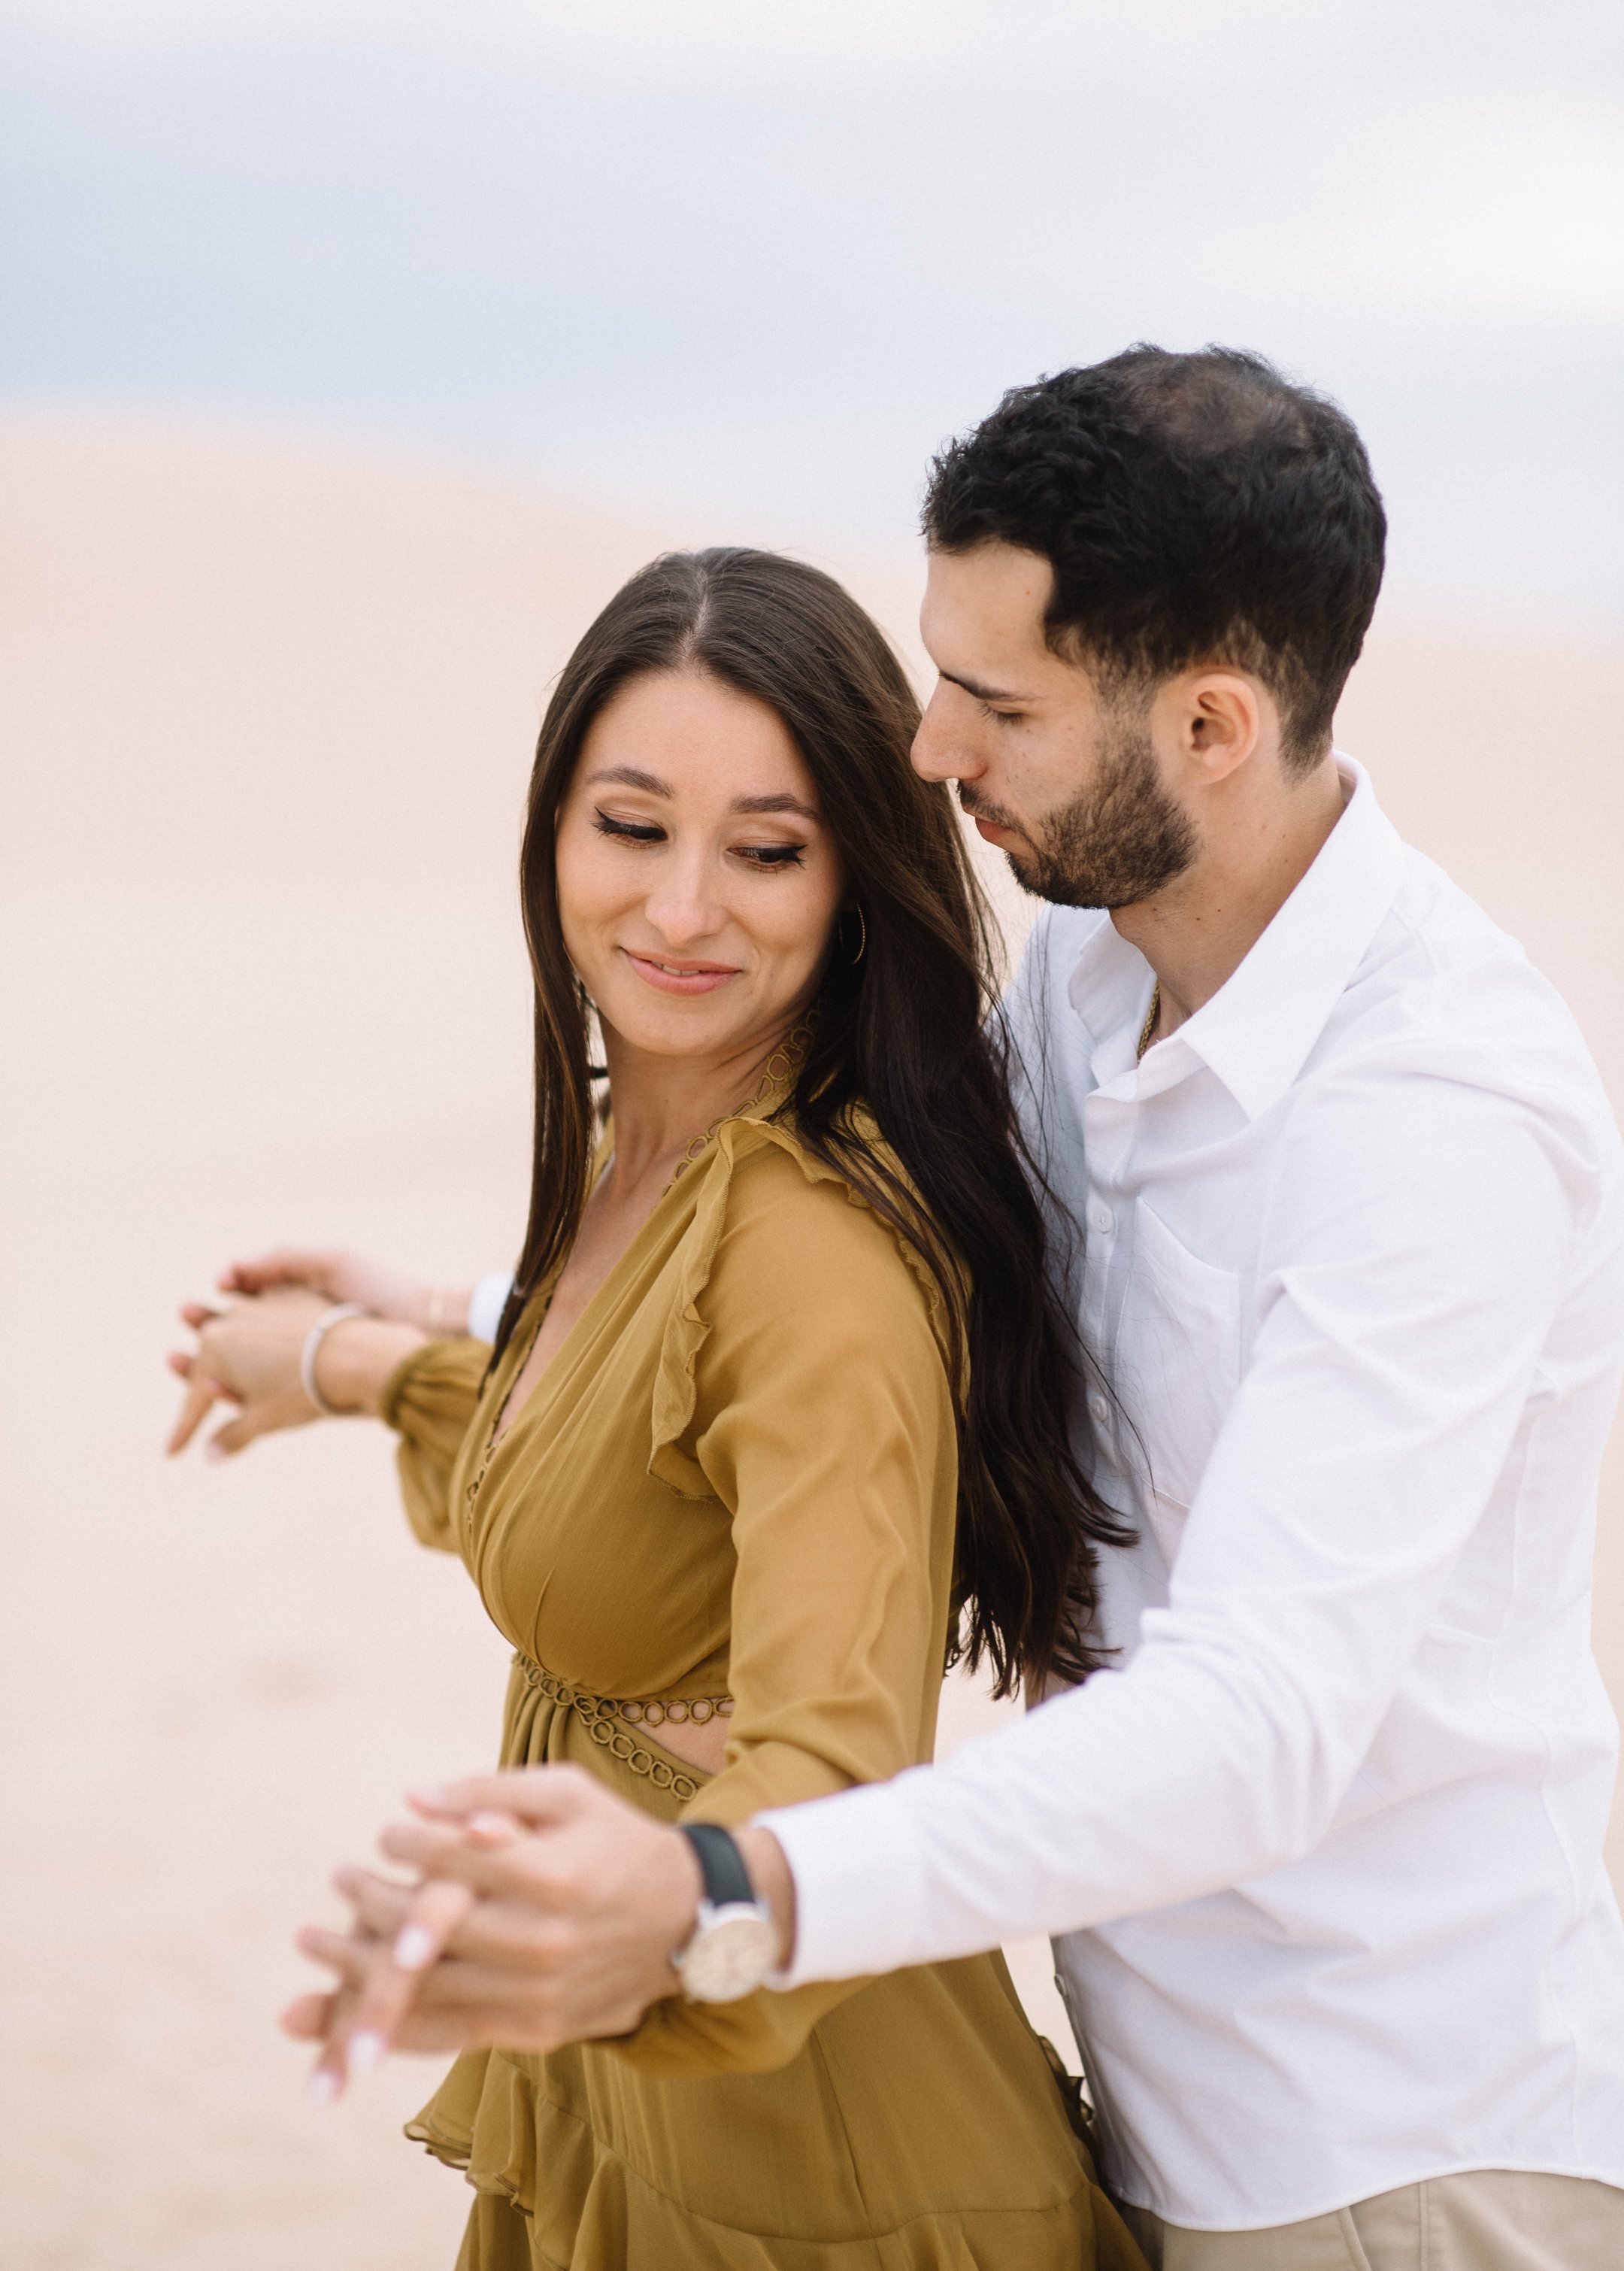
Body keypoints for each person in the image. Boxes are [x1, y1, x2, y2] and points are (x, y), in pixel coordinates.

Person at [286, 350, 1624, 2270]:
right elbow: (802, 1313)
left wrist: (724, 1885)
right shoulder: (1087, 978)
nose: (927, 751)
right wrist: (455, 1325)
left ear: (1215, 722)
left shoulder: (1434, 1119)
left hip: (1392, 2157)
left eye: (998, 704)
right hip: (1138, 2096)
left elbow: (1261, 1718)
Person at [166, 546, 1148, 2270]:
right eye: (632, 827)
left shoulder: (810, 1244)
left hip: (809, 2174)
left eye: (765, 850)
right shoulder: (660, 1149)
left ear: (854, 874)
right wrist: (347, 1358)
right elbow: (624, 1462)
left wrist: (629, 1918)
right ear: (553, 833)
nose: (684, 908)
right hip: (654, 2117)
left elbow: (841, 1757)